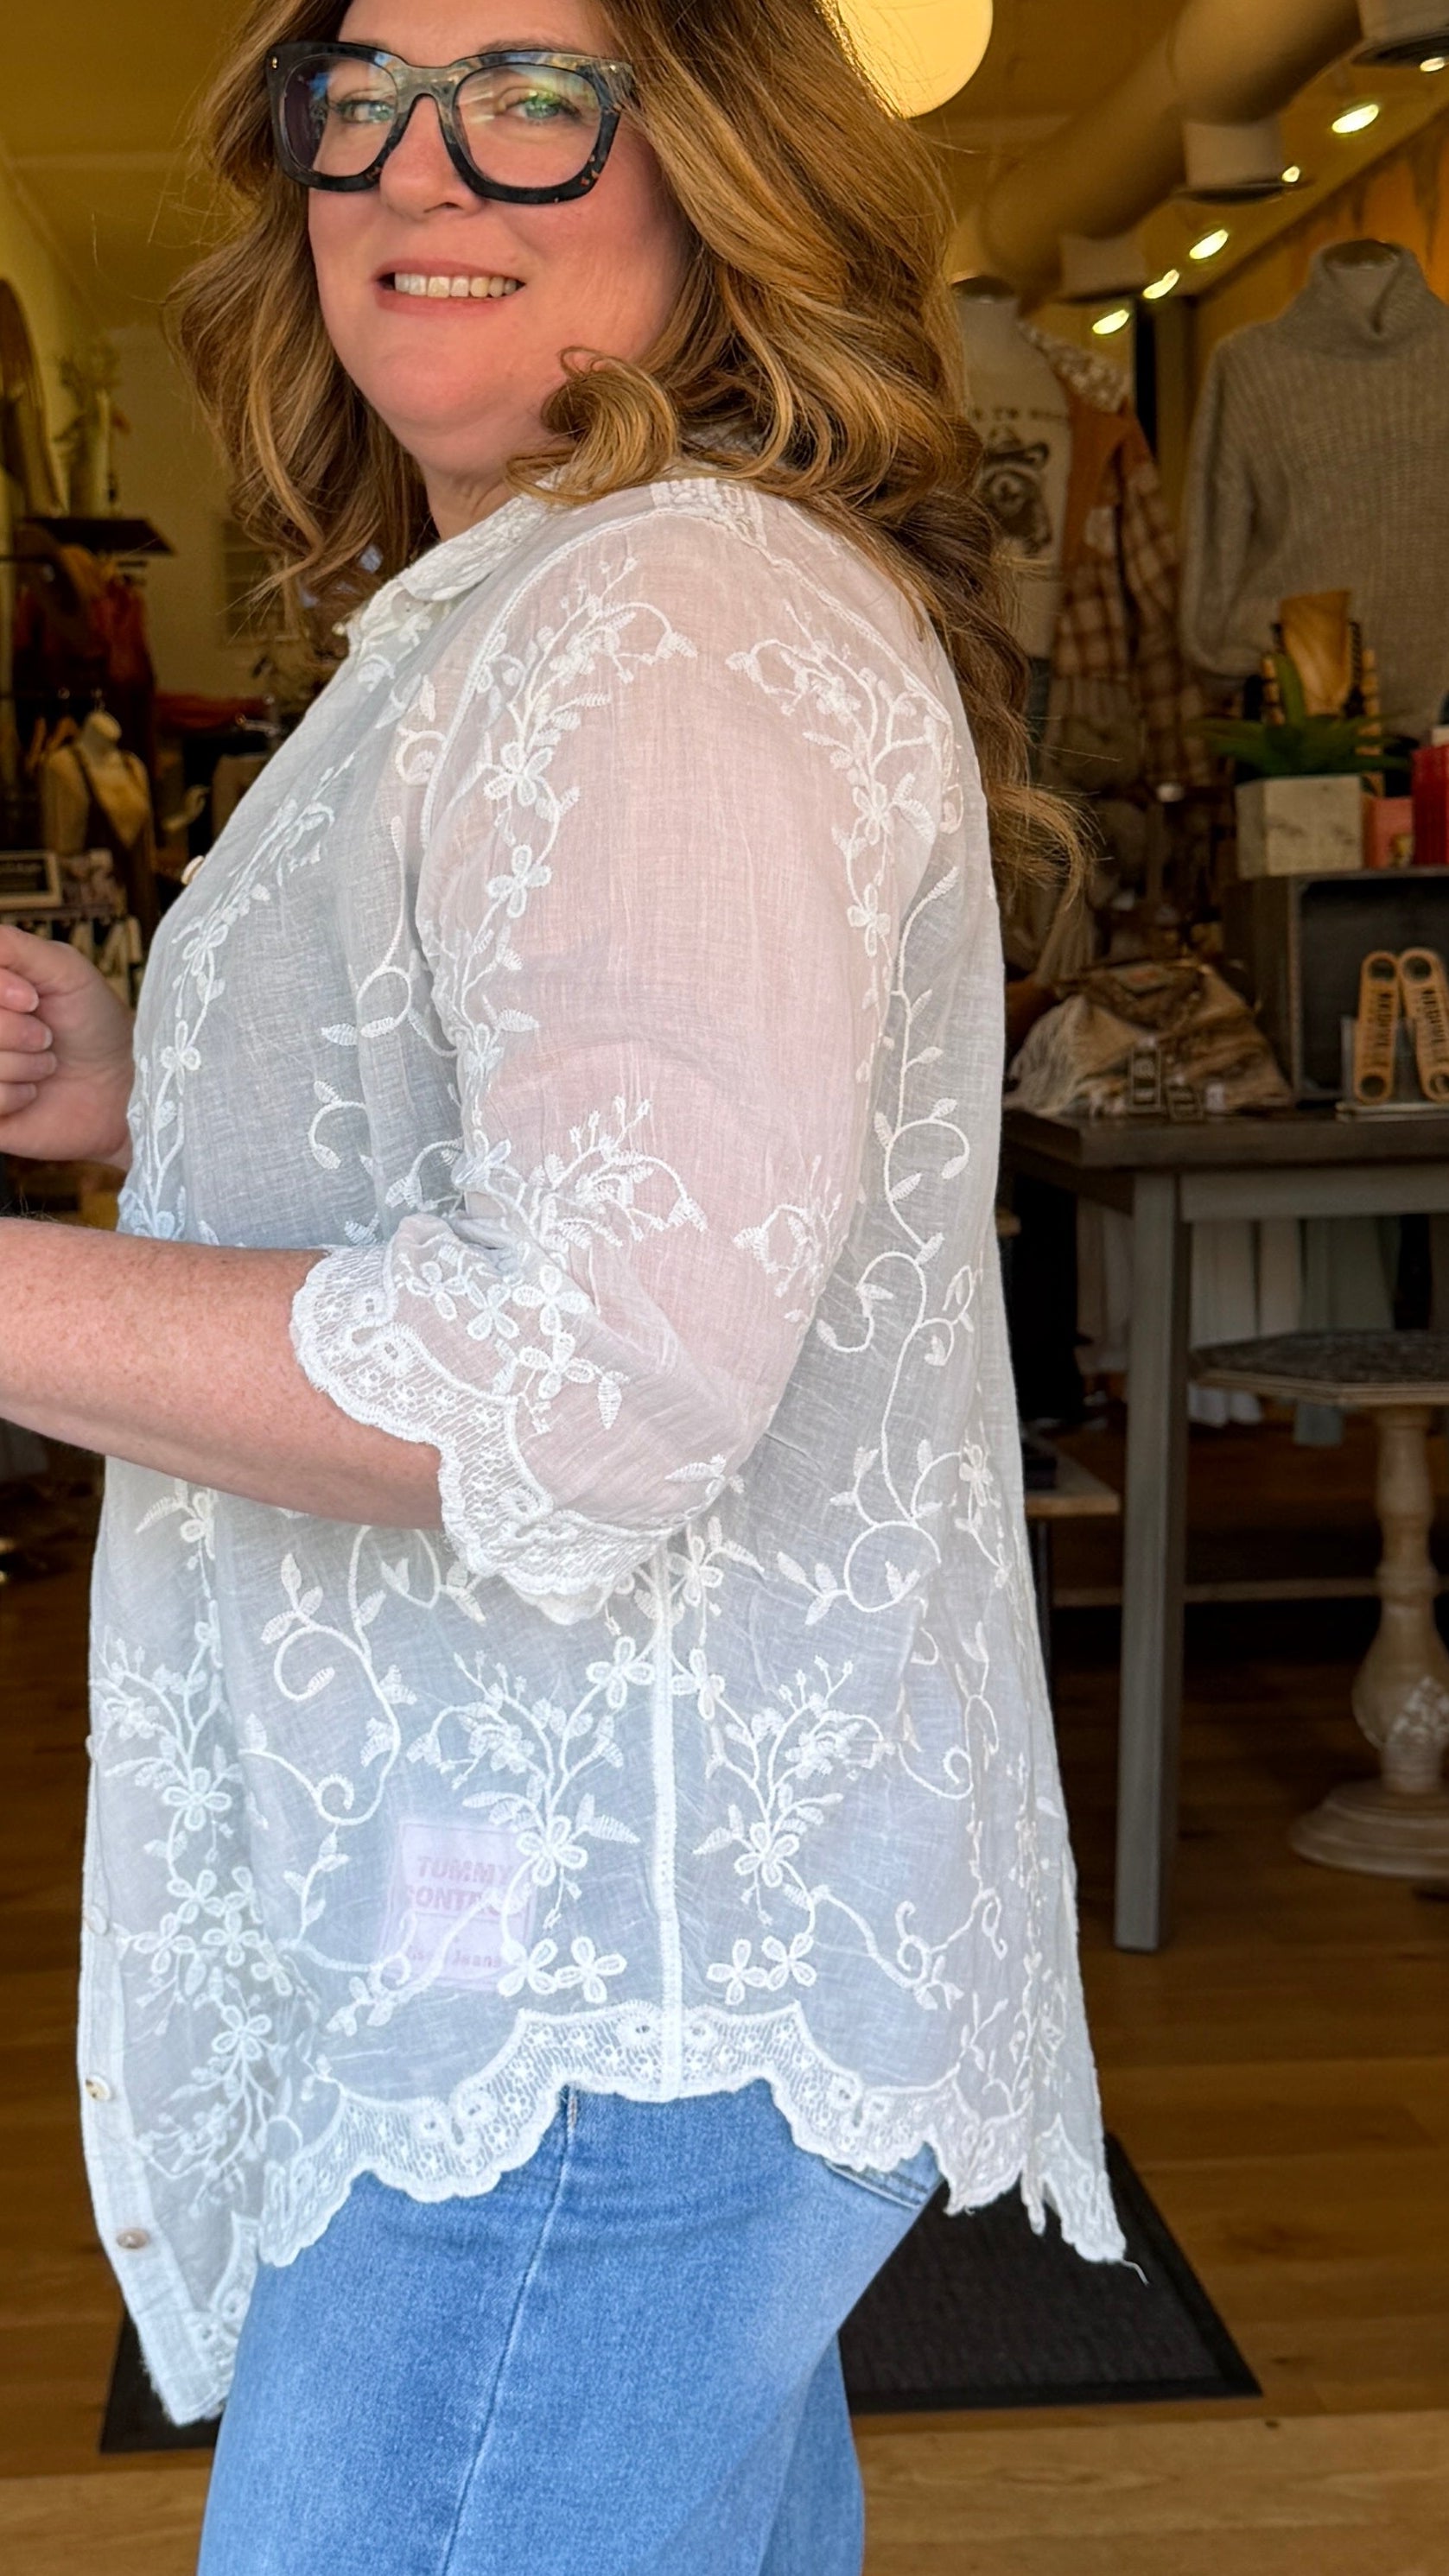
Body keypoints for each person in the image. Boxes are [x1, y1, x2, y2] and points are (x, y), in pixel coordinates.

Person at [0, 1, 1121, 2566]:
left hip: (592, 2001)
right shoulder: (544, 605)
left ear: (715, 162)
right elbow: (596, 1184)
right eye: (365, 97)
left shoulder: (662, 617)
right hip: (572, 1939)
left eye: (532, 94)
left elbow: (585, 1368)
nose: (424, 166)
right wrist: (159, 1085)